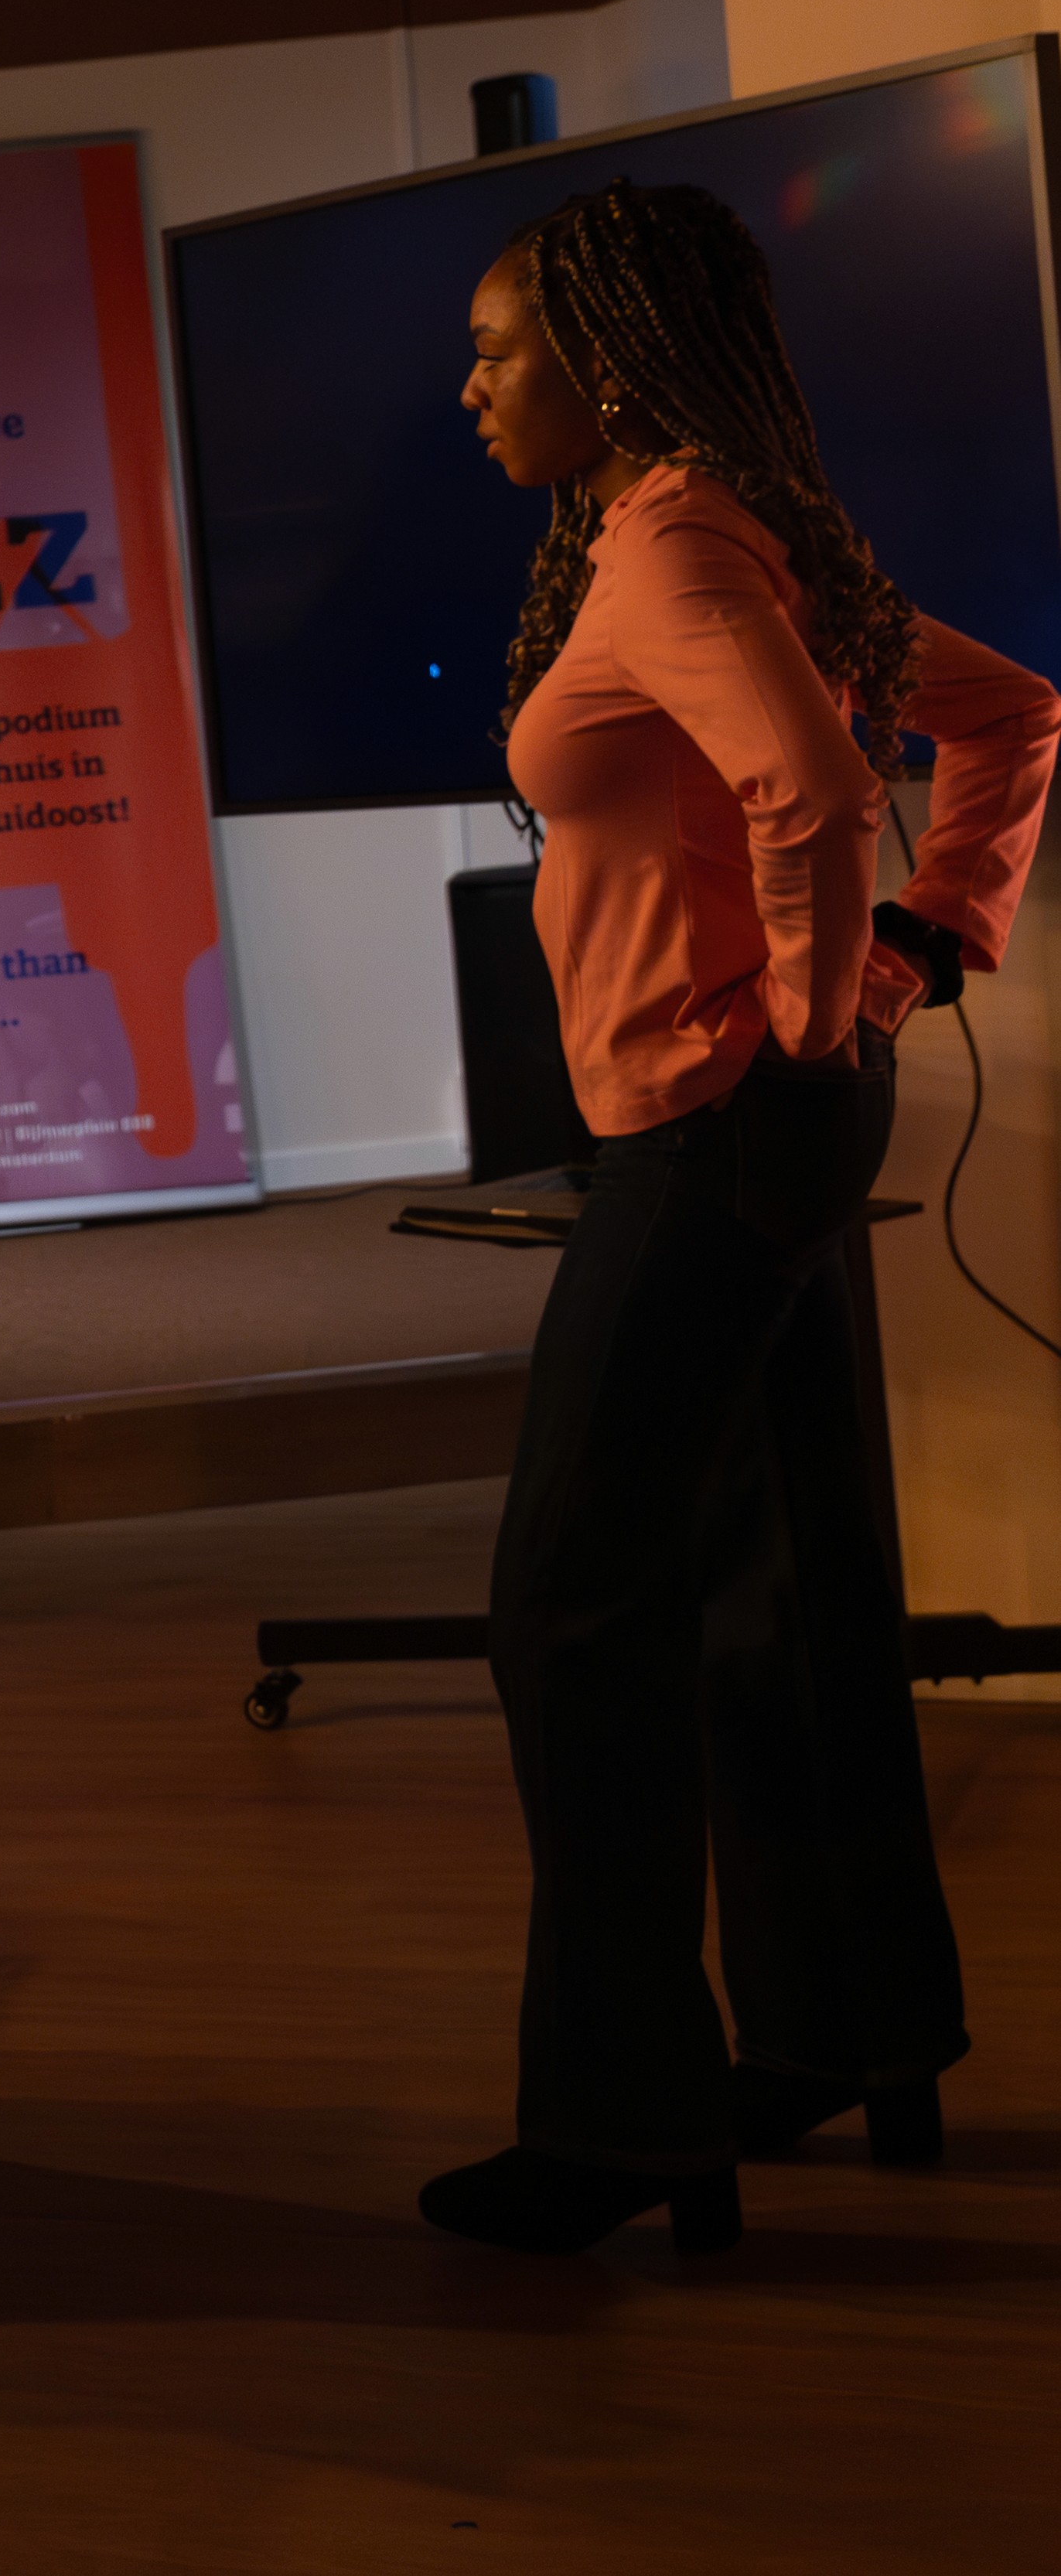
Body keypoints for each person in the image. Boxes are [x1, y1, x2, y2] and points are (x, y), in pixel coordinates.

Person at [430, 179, 1054, 2254]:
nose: (472, 384)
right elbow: (1008, 717)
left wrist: (809, 1010)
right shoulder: (705, 530)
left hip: (711, 1135)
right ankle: (843, 2028)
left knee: (566, 1611)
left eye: (499, 347)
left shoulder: (682, 544)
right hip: (755, 1122)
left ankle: (624, 2126)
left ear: (604, 358)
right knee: (771, 1603)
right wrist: (913, 958)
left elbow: (812, 784)